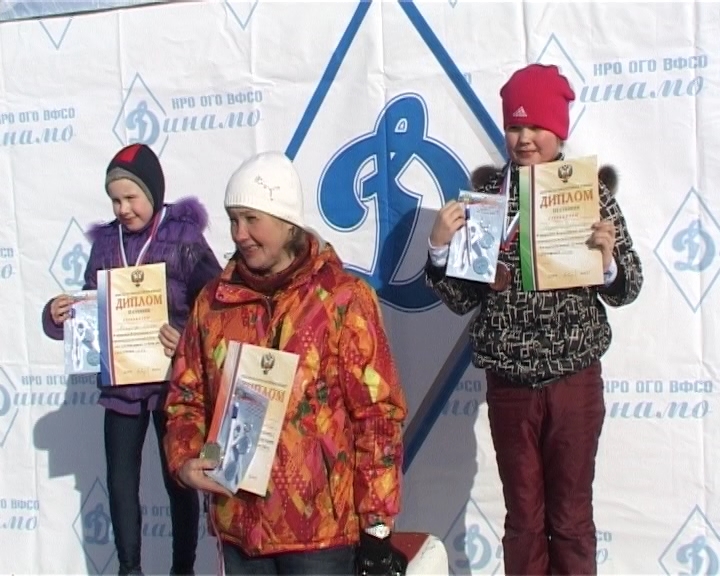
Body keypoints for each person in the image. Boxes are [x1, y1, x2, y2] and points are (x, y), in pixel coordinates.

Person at [425, 64, 643, 576]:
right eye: (514, 126)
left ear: (559, 131)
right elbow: (461, 299)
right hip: (511, 384)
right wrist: (439, 250)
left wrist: (608, 262)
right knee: (524, 519)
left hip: (573, 378)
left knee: (570, 518)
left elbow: (629, 286)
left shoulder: (589, 194)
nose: (524, 138)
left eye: (536, 126)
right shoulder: (487, 198)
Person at [162, 151, 409, 576]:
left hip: (321, 534)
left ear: (286, 221)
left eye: (251, 219)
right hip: (239, 525)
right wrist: (185, 460)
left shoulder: (342, 299)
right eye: (233, 220)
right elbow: (186, 397)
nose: (239, 234)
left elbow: (377, 417)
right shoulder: (213, 303)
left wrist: (377, 526)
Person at [42, 143, 222, 576]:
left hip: (172, 385)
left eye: (131, 197)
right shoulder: (107, 243)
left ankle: (183, 568)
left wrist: (185, 338)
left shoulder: (183, 238)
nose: (123, 209)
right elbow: (89, 310)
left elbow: (217, 305)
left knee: (179, 477)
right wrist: (59, 315)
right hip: (122, 386)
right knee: (121, 482)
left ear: (153, 193)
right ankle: (129, 568)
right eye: (115, 200)